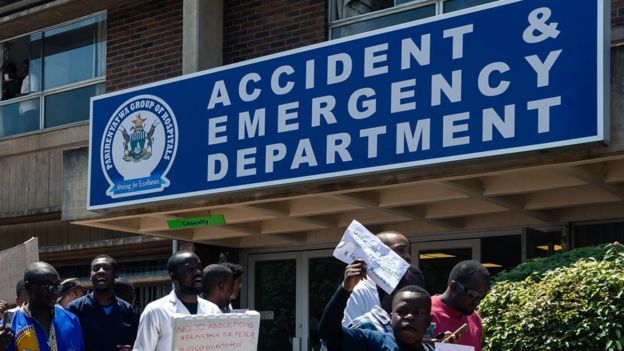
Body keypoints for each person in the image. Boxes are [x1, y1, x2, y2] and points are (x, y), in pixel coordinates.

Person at [319, 260, 434, 351]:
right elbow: (329, 333)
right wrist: (345, 289)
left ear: (429, 322)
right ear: (391, 317)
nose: (409, 317)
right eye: (402, 312)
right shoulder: (374, 341)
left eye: (418, 312)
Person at [133, 251, 220, 351]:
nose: (198, 272)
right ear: (174, 276)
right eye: (189, 269)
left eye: (199, 267)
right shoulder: (156, 311)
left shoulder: (213, 310)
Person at [0, 261, 84, 351]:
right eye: (47, 285)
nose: (55, 292)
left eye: (57, 286)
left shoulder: (71, 320)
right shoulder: (10, 323)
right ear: (28, 286)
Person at [67, 255, 138, 351]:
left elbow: (136, 343)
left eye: (106, 268)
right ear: (90, 276)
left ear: (115, 274)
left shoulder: (127, 309)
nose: (101, 271)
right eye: (96, 269)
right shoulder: (74, 308)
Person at [343, 231, 412, 326]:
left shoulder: (407, 287)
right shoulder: (361, 291)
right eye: (400, 250)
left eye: (409, 252)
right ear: (378, 253)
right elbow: (349, 333)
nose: (408, 257)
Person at [431, 260, 490, 351]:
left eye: (481, 297)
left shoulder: (475, 318)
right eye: (472, 295)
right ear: (454, 287)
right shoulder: (424, 312)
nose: (478, 302)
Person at [348, 265, 425, 334]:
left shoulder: (413, 327)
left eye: (420, 292)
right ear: (390, 290)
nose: (418, 298)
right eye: (411, 291)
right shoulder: (365, 326)